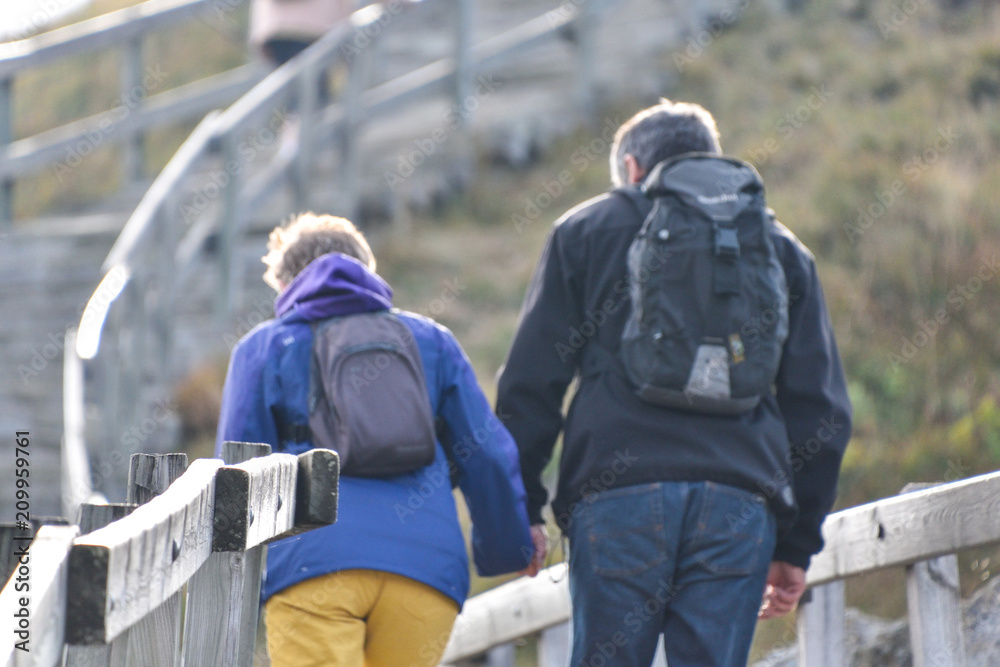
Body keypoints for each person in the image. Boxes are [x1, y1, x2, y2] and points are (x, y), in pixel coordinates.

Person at [496, 100, 853, 666]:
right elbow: (823, 413)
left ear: (633, 170)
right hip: (739, 503)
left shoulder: (585, 230)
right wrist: (795, 544)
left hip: (617, 496)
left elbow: (530, 386)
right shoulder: (780, 249)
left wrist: (521, 509)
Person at [216, 213, 534, 667]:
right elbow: (486, 452)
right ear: (368, 269)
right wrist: (511, 547)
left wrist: (229, 579)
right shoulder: (432, 340)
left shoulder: (263, 347)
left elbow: (237, 474)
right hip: (425, 575)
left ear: (286, 285)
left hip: (312, 570)